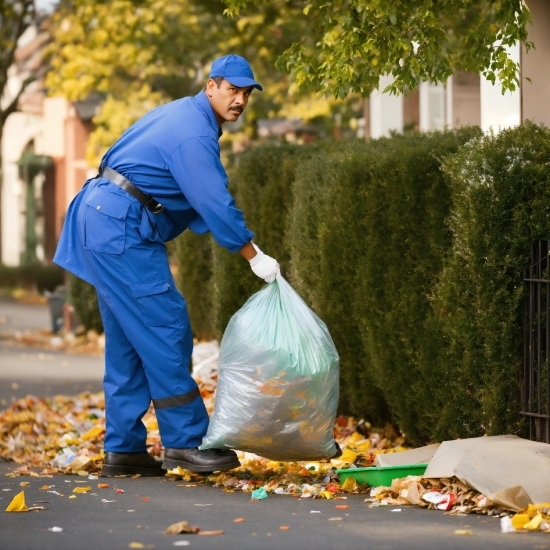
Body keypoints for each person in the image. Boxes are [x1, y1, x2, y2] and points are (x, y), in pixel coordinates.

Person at [53, 54, 281, 477]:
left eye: (247, 93)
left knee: (128, 338)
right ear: (211, 85)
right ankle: (186, 441)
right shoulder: (194, 133)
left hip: (104, 216)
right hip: (119, 226)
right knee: (166, 327)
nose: (241, 101)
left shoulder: (181, 114)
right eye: (233, 90)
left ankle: (123, 449)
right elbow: (212, 200)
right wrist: (253, 255)